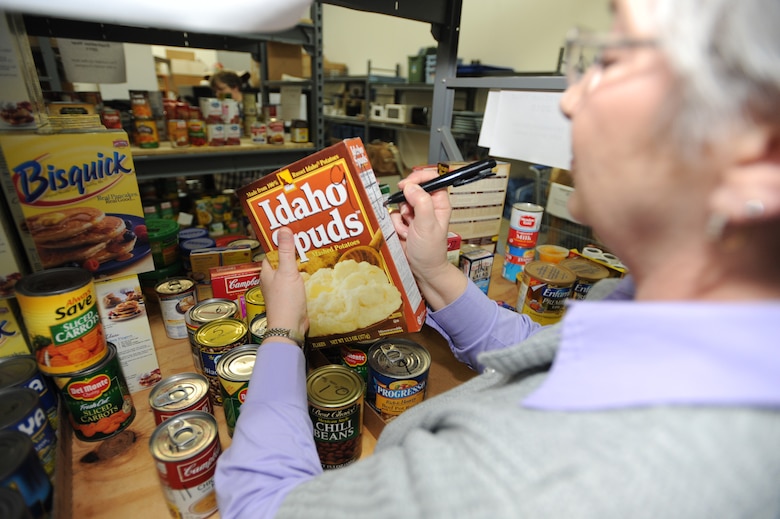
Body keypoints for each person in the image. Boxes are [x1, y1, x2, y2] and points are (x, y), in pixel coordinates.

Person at [215, 0, 780, 517]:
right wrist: (431, 273)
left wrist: (284, 332)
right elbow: (542, 351)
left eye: (616, 59)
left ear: (757, 154)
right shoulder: (691, 315)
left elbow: (263, 506)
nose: (570, 98)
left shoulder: (533, 477)